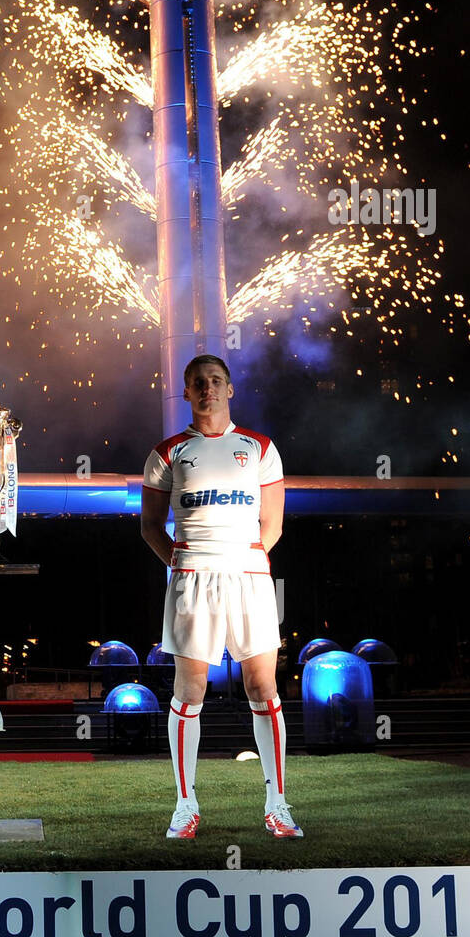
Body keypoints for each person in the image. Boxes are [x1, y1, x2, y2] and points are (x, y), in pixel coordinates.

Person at [140, 354, 300, 840]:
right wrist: (182, 562)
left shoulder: (260, 448)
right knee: (190, 691)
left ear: (229, 389)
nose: (207, 389)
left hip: (249, 575)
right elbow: (150, 527)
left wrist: (242, 559)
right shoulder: (167, 452)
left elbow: (272, 525)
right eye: (197, 383)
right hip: (192, 577)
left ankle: (277, 805)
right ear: (186, 392)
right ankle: (185, 805)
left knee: (263, 687)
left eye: (215, 381)